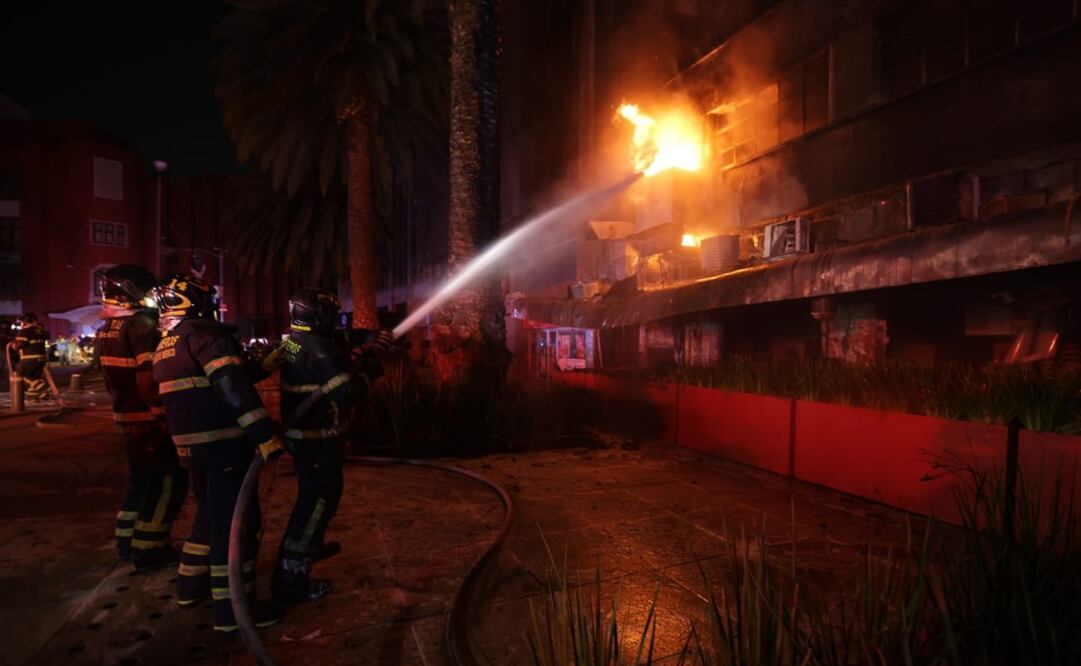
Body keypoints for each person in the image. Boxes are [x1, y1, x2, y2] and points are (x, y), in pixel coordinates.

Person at [151, 273, 284, 633]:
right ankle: (233, 610)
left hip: (192, 450)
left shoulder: (169, 343)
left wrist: (266, 364)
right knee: (238, 527)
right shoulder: (209, 337)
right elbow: (231, 388)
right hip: (224, 447)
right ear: (197, 301)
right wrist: (264, 434)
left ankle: (190, 586)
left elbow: (218, 379)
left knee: (209, 518)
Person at [271, 288, 390, 604]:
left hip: (306, 437)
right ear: (318, 316)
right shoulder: (319, 350)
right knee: (317, 501)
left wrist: (369, 337)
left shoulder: (296, 341)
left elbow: (343, 338)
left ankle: (309, 544)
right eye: (330, 315)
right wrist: (369, 371)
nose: (335, 320)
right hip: (318, 438)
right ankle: (291, 577)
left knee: (317, 497)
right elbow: (347, 393)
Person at [95, 265, 189, 572]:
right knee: (167, 482)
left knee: (139, 480)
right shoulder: (142, 326)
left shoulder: (107, 328)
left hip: (125, 416)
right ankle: (150, 551)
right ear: (132, 290)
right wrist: (163, 415)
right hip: (147, 421)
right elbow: (148, 380)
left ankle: (126, 544)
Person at [14, 313, 49, 400]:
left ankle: (43, 388)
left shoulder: (24, 331)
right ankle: (33, 397)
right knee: (33, 378)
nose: (21, 324)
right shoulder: (40, 330)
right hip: (42, 359)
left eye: (22, 322)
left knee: (18, 374)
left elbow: (20, 345)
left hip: (30, 359)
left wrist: (14, 346)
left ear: (25, 322)